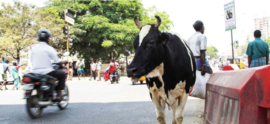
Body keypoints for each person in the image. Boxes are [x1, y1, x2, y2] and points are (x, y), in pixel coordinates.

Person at [31, 29, 67, 101]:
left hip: (34, 72)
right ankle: (58, 95)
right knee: (62, 74)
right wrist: (64, 62)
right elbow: (57, 61)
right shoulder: (49, 48)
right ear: (47, 38)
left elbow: (32, 60)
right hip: (47, 72)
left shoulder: (33, 48)